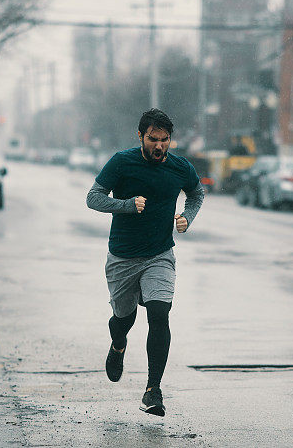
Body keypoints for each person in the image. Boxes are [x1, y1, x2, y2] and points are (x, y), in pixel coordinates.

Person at [86, 108, 205, 416]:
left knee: (159, 313)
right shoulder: (122, 162)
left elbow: (196, 194)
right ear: (140, 136)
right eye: (153, 139)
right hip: (123, 256)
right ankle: (118, 344)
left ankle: (153, 390)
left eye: (165, 140)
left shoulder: (179, 167)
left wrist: (186, 218)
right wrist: (126, 205)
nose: (159, 146)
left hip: (159, 254)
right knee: (123, 318)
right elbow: (93, 197)